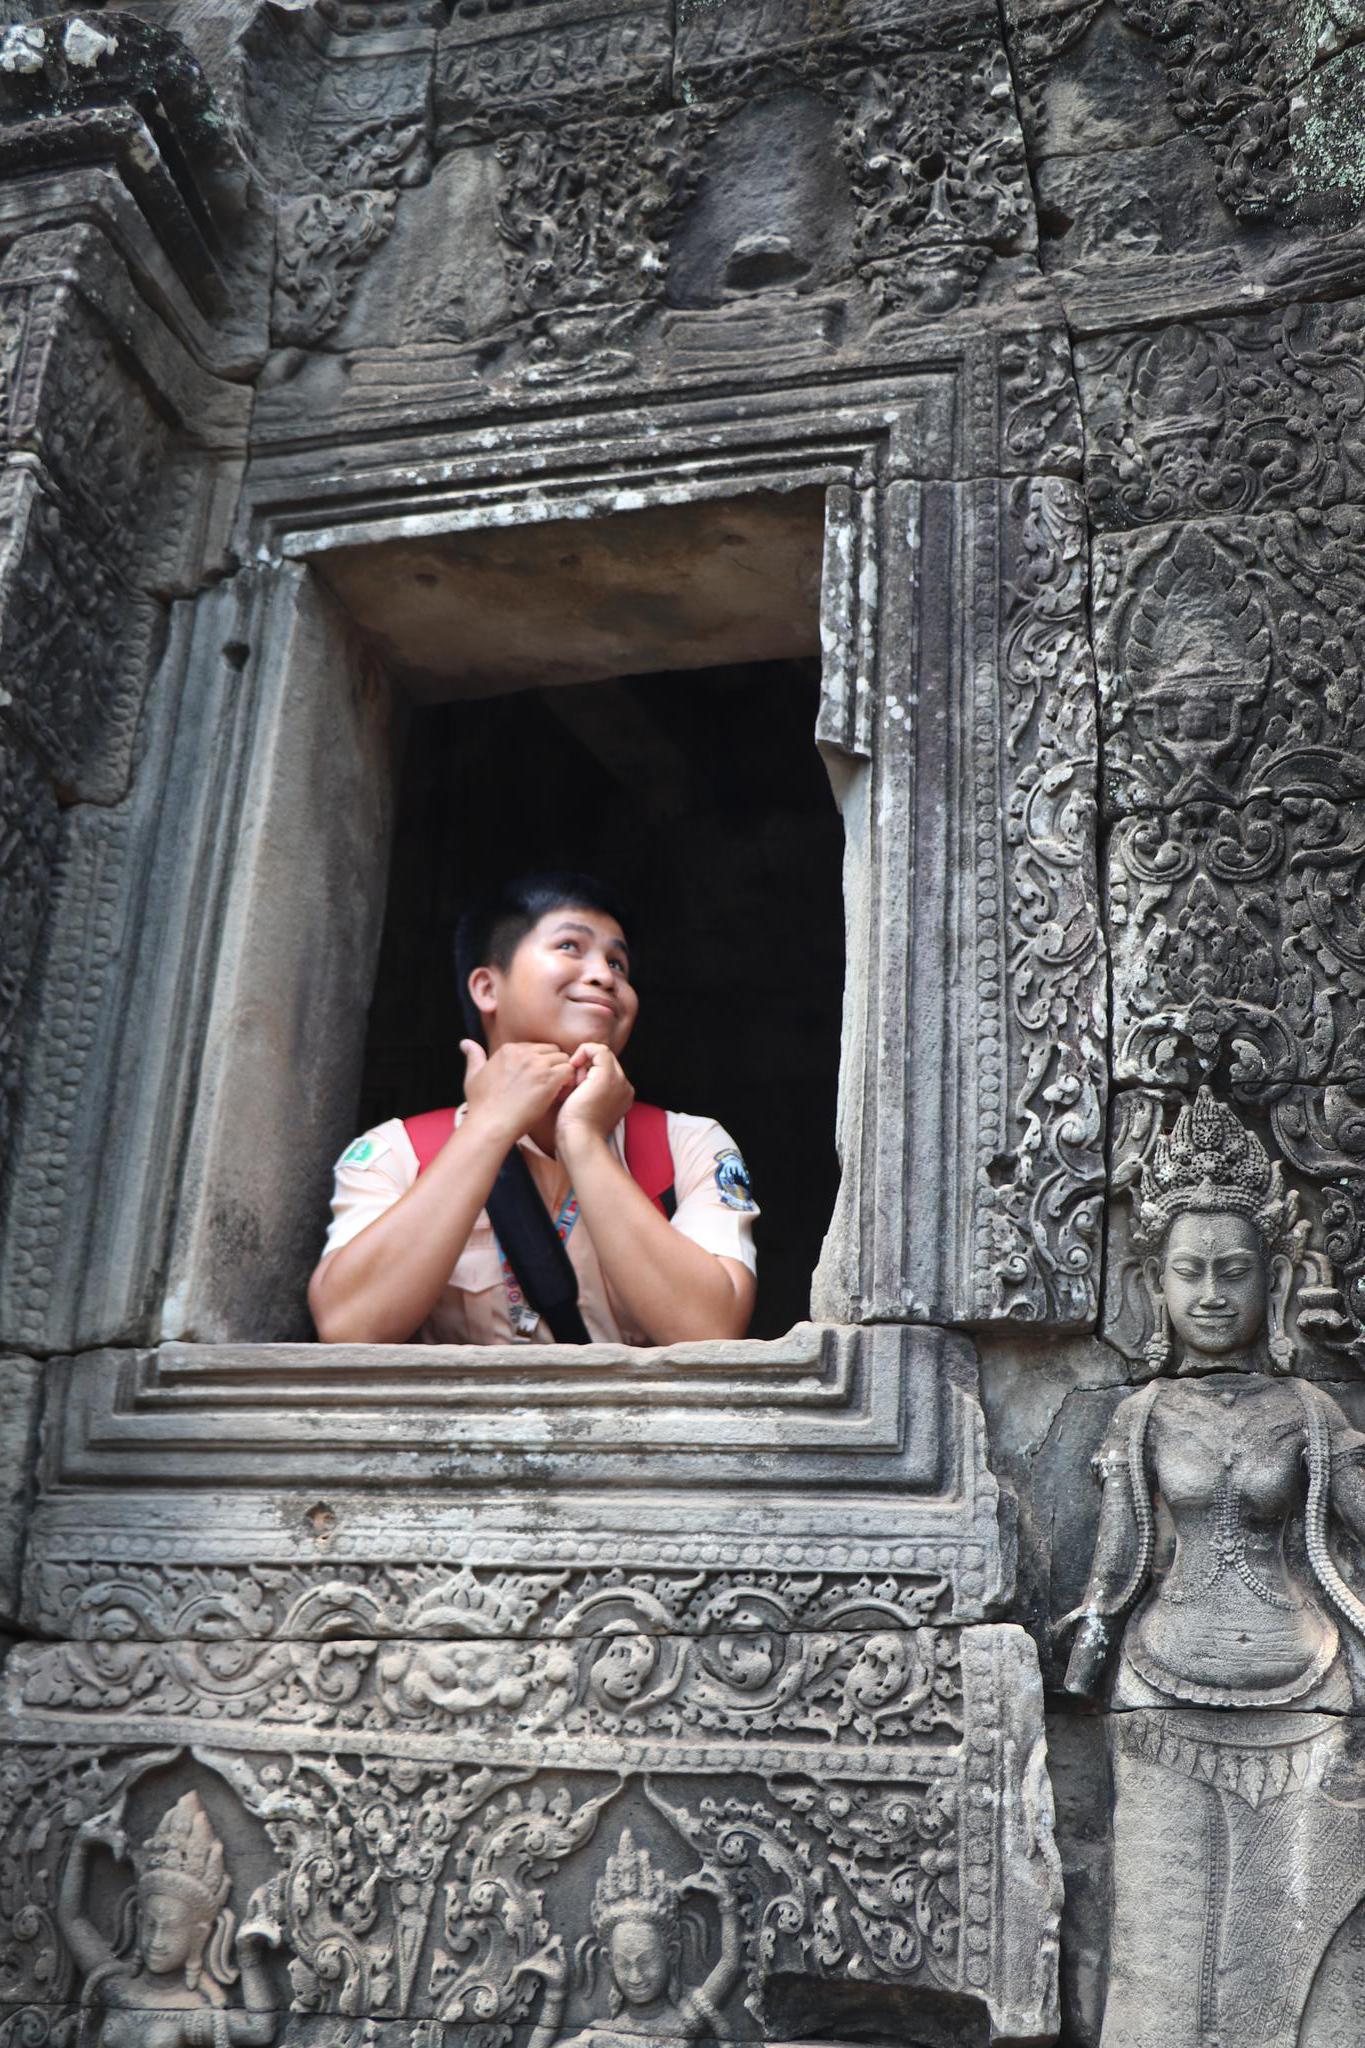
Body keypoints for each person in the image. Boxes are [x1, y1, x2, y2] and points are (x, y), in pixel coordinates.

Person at [1059, 1088, 1365, 2048]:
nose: (1211, 1295)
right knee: (1162, 1935)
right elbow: (1118, 1559)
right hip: (1160, 1690)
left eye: (1234, 1272)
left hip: (1301, 1682)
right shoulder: (1140, 1417)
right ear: (1155, 1288)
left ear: (1272, 1286)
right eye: (1188, 1273)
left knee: (1297, 1931)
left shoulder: (1310, 1416)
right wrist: (1087, 1634)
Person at [309, 872, 758, 1345]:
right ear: (486, 988)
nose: (604, 975)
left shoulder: (687, 1145)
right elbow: (348, 1328)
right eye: (570, 946)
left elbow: (711, 1330)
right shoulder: (396, 1152)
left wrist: (583, 1139)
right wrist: (489, 1126)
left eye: (618, 963)